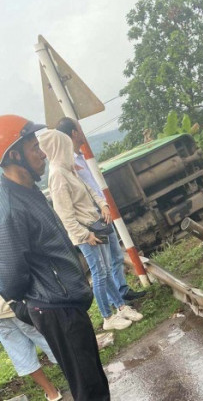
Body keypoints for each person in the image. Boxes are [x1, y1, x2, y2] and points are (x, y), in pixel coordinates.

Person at [0, 115, 109, 400]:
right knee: (89, 389)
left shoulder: (28, 191)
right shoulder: (10, 206)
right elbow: (11, 275)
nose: (42, 153)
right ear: (14, 155)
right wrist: (29, 303)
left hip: (65, 302)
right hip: (55, 307)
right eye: (35, 147)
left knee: (93, 380)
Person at [39, 129, 143, 332]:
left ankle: (121, 307)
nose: (70, 149)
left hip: (95, 224)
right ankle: (107, 317)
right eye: (66, 146)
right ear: (59, 147)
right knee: (99, 273)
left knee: (104, 269)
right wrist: (85, 235)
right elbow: (64, 214)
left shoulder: (68, 168)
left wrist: (103, 205)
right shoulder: (58, 175)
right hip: (86, 232)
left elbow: (88, 188)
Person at [56, 117, 146, 303]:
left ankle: (121, 293)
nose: (82, 133)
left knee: (114, 257)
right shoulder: (68, 163)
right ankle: (115, 303)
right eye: (79, 129)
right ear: (74, 133)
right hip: (93, 219)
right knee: (103, 266)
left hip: (102, 212)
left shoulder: (80, 157)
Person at [0, 296, 62, 401]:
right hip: (17, 302)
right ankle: (78, 377)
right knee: (49, 341)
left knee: (21, 355)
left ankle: (52, 393)